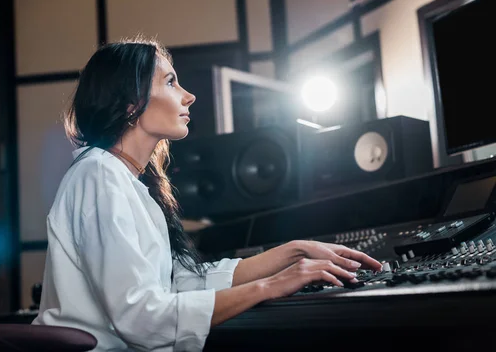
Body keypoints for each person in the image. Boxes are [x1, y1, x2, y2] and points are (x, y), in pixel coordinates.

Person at [32, 36, 383, 351]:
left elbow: (183, 284)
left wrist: (294, 252)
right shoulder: (99, 175)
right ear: (131, 104)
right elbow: (141, 318)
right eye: (171, 82)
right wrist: (269, 286)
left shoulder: (124, 180)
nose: (189, 96)